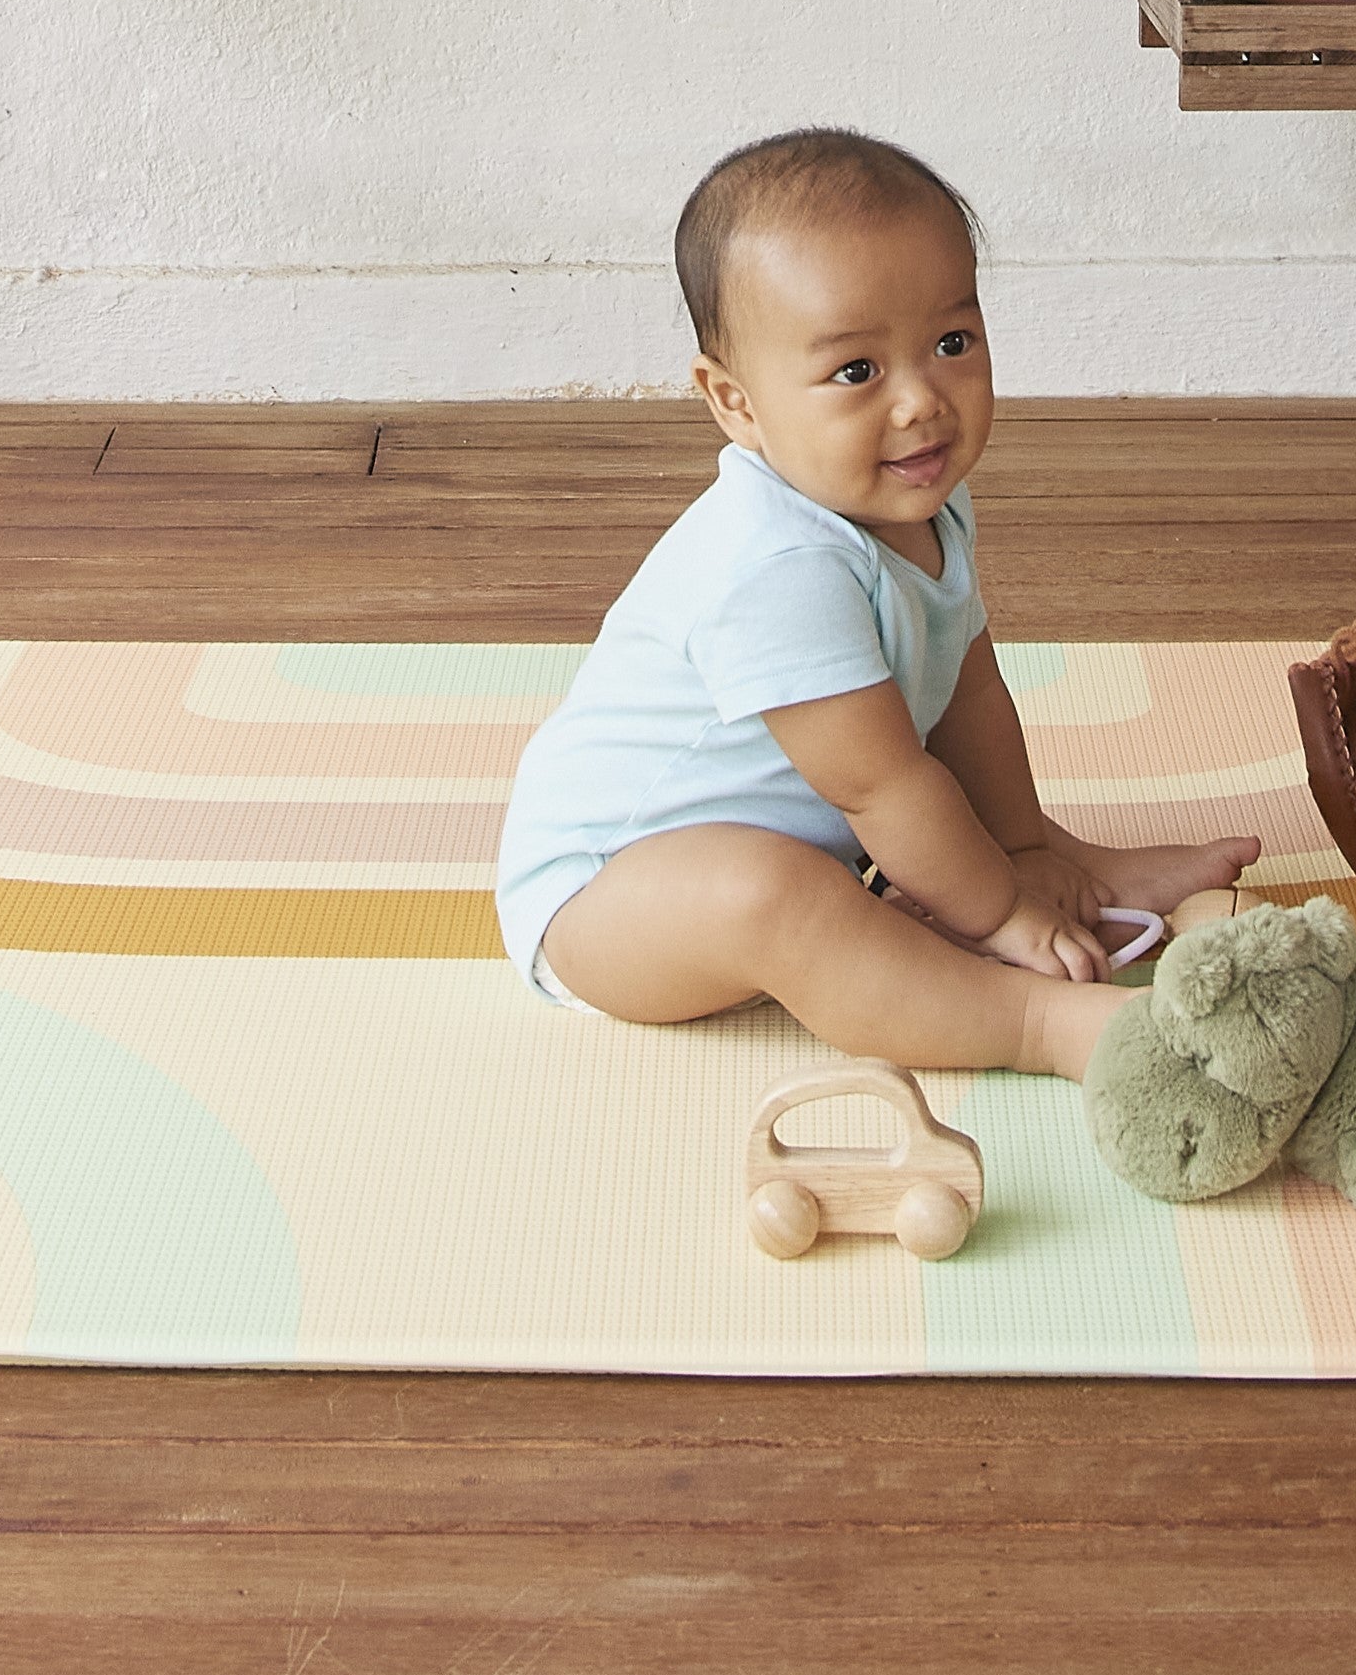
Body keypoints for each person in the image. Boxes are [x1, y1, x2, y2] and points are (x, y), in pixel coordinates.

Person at [492, 128, 1255, 1077]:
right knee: (780, 895)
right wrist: (1002, 913)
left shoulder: (921, 496)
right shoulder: (775, 565)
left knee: (926, 820)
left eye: (951, 342)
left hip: (831, 833)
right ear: (735, 402)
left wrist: (1020, 851)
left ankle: (1065, 865)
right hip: (609, 899)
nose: (921, 402)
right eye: (857, 371)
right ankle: (1031, 1025)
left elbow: (967, 692)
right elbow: (879, 785)